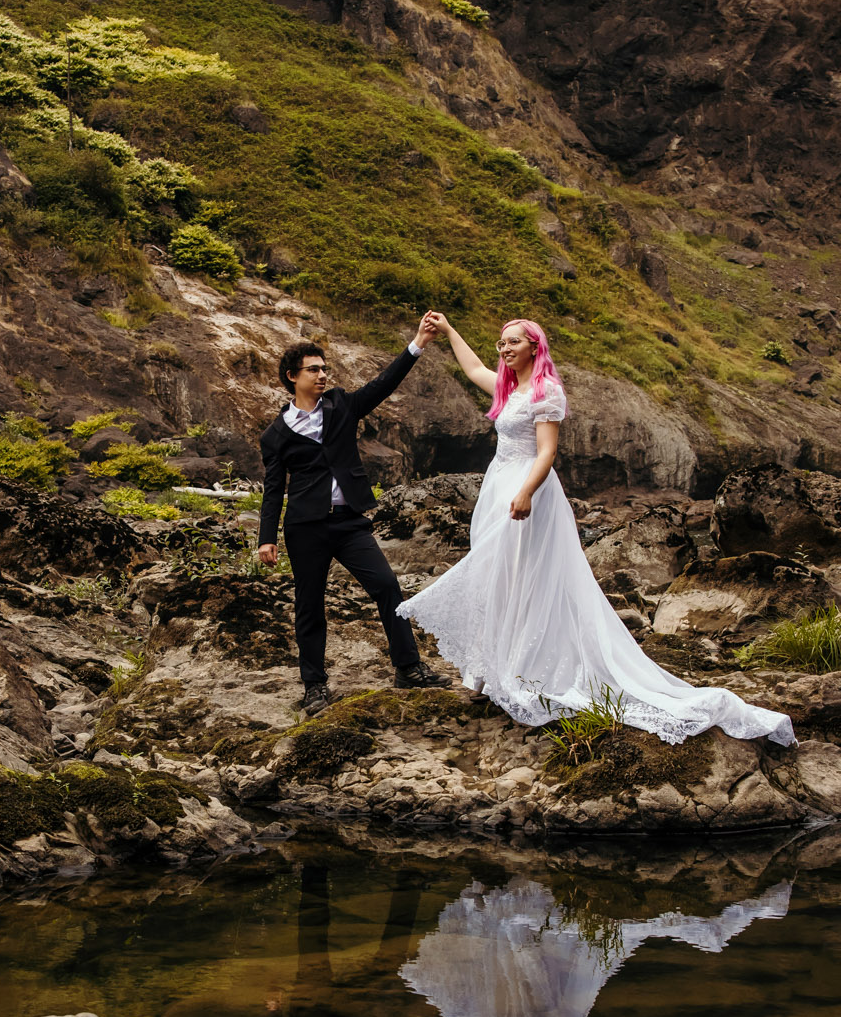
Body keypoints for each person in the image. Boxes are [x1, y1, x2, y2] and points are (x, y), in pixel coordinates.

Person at [395, 315, 797, 747]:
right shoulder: (510, 388)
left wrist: (526, 492)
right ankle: (495, 672)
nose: (504, 349)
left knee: (528, 579)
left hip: (526, 488)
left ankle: (528, 671)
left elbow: (547, 452)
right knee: (503, 580)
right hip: (499, 486)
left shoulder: (546, 391)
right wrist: (451, 332)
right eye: (501, 343)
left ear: (534, 347)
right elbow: (474, 370)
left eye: (513, 342)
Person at [258, 316, 453, 714]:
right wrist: (266, 537)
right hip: (305, 527)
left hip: (349, 522)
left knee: (387, 587)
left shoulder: (342, 404)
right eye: (313, 369)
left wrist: (417, 343)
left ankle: (408, 668)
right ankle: (314, 686)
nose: (322, 374)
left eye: (324, 368)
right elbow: (274, 488)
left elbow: (383, 385)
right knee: (309, 605)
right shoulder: (275, 434)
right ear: (292, 377)